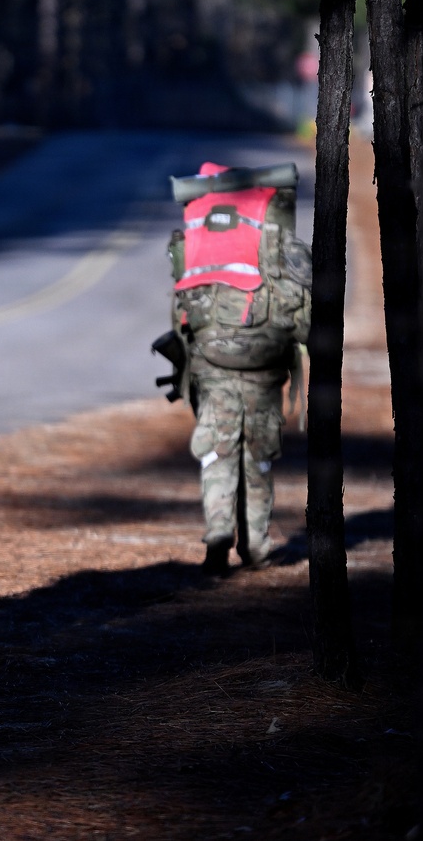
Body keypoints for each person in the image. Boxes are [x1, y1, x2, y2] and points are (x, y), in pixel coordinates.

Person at [165, 161, 312, 576]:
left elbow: (182, 315)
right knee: (258, 456)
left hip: (212, 365)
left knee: (218, 451)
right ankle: (256, 545)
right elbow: (305, 320)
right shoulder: (285, 248)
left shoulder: (199, 240)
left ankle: (217, 536)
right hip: (265, 366)